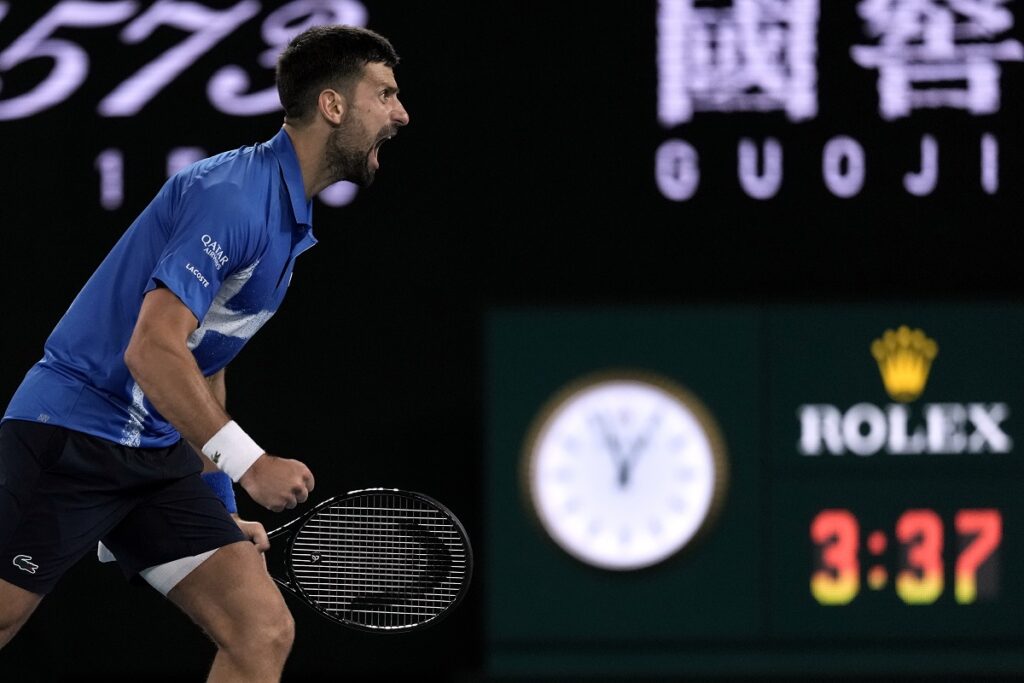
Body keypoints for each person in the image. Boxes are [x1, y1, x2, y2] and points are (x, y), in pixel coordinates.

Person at [0, 23, 410, 682]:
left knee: (261, 631)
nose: (400, 113)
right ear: (333, 106)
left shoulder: (286, 225)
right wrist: (251, 465)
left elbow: (204, 363)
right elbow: (152, 348)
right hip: (74, 434)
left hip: (156, 457)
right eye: (385, 94)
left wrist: (220, 502)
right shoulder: (234, 197)